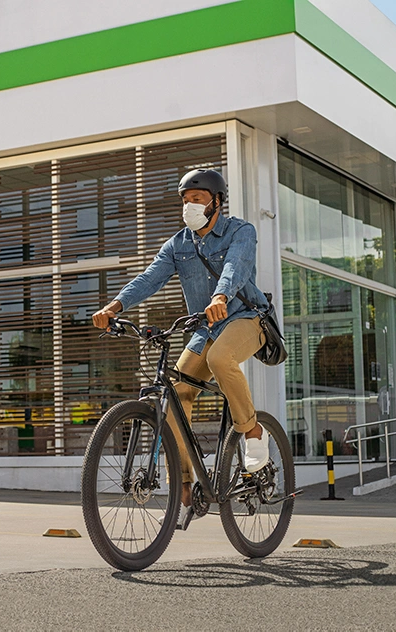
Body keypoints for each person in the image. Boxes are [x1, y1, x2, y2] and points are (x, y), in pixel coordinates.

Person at [92, 168, 270, 511]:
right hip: (205, 329)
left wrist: (220, 296)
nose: (189, 206)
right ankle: (184, 483)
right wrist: (114, 306)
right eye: (185, 200)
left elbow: (236, 266)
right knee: (174, 394)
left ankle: (252, 431)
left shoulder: (241, 231)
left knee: (220, 358)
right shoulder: (178, 244)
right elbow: (149, 278)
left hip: (247, 318)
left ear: (216, 202)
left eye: (197, 199)